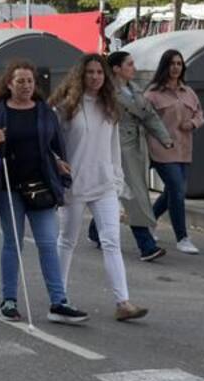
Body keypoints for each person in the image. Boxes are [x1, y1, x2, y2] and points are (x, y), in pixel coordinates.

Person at [0, 60, 88, 325]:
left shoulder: (45, 112)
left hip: (40, 187)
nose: (25, 86)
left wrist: (58, 164)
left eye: (30, 81)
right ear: (9, 84)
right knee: (13, 243)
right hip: (8, 188)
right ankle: (8, 301)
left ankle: (58, 302)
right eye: (20, 81)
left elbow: (56, 147)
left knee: (47, 243)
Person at [51, 54, 148, 322]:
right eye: (90, 72)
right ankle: (58, 298)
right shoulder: (64, 108)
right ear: (80, 75)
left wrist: (117, 184)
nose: (95, 77)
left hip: (104, 184)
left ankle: (123, 302)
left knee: (112, 241)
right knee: (67, 241)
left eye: (99, 72)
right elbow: (48, 142)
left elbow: (113, 148)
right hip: (74, 184)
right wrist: (57, 163)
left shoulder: (109, 107)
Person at [89, 49, 175, 261]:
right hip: (116, 147)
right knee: (132, 194)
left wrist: (164, 137)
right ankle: (146, 246)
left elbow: (150, 116)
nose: (133, 68)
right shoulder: (106, 92)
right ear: (116, 68)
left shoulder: (134, 89)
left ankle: (95, 230)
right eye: (129, 64)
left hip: (136, 146)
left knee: (118, 192)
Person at [145, 48, 204, 254]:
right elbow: (144, 121)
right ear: (165, 66)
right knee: (177, 191)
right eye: (172, 64)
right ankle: (182, 238)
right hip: (161, 150)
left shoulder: (188, 92)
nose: (176, 67)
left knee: (173, 191)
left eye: (179, 64)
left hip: (183, 149)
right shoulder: (153, 94)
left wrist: (193, 123)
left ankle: (148, 222)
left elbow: (200, 114)